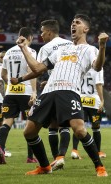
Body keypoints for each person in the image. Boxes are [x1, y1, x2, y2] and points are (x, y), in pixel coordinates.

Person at [15, 14, 109, 176]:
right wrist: (24, 50)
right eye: (72, 22)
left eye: (77, 23)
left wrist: (102, 46)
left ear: (85, 29)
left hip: (69, 91)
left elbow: (98, 67)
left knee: (79, 130)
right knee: (29, 132)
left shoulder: (90, 49)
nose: (73, 24)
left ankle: (99, 167)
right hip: (49, 92)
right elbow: (38, 68)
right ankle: (45, 166)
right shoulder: (61, 50)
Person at [11, 19, 73, 162]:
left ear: (49, 32)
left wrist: (20, 79)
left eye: (42, 32)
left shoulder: (46, 48)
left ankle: (55, 158)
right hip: (71, 87)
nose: (41, 35)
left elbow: (37, 69)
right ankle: (61, 156)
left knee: (50, 125)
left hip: (54, 90)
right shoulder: (71, 44)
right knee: (67, 125)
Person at [0, 27, 38, 164]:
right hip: (25, 92)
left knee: (7, 121)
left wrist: (10, 81)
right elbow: (33, 71)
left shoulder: (8, 52)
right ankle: (30, 157)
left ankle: (1, 148)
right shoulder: (31, 51)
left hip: (11, 93)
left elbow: (3, 74)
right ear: (30, 38)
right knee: (31, 124)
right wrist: (34, 91)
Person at [71, 68, 106, 159]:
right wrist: (102, 100)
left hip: (80, 100)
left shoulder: (81, 65)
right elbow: (98, 84)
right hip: (93, 102)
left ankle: (75, 150)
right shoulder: (98, 68)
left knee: (78, 126)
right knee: (96, 127)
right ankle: (98, 152)